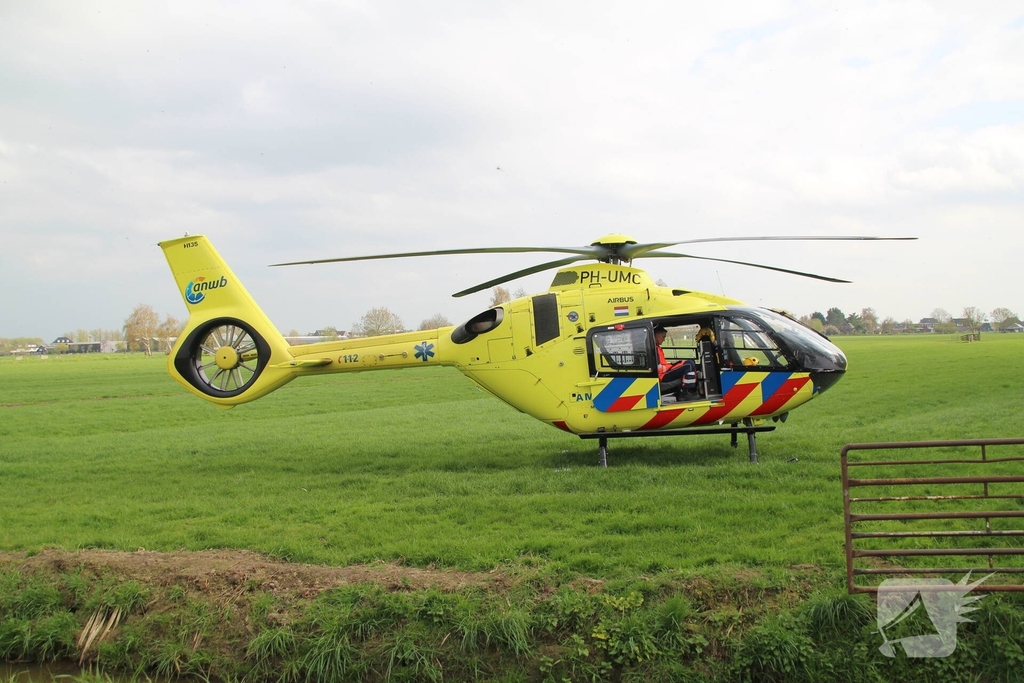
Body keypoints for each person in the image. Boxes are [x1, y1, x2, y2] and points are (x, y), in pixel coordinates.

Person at [654, 325, 697, 396]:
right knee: (689, 365)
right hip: (662, 376)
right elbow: (659, 369)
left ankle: (689, 390)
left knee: (690, 361)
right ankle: (685, 392)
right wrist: (672, 366)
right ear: (657, 335)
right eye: (663, 337)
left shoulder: (657, 347)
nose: (664, 339)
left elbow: (662, 364)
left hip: (665, 372)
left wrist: (673, 364)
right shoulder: (654, 349)